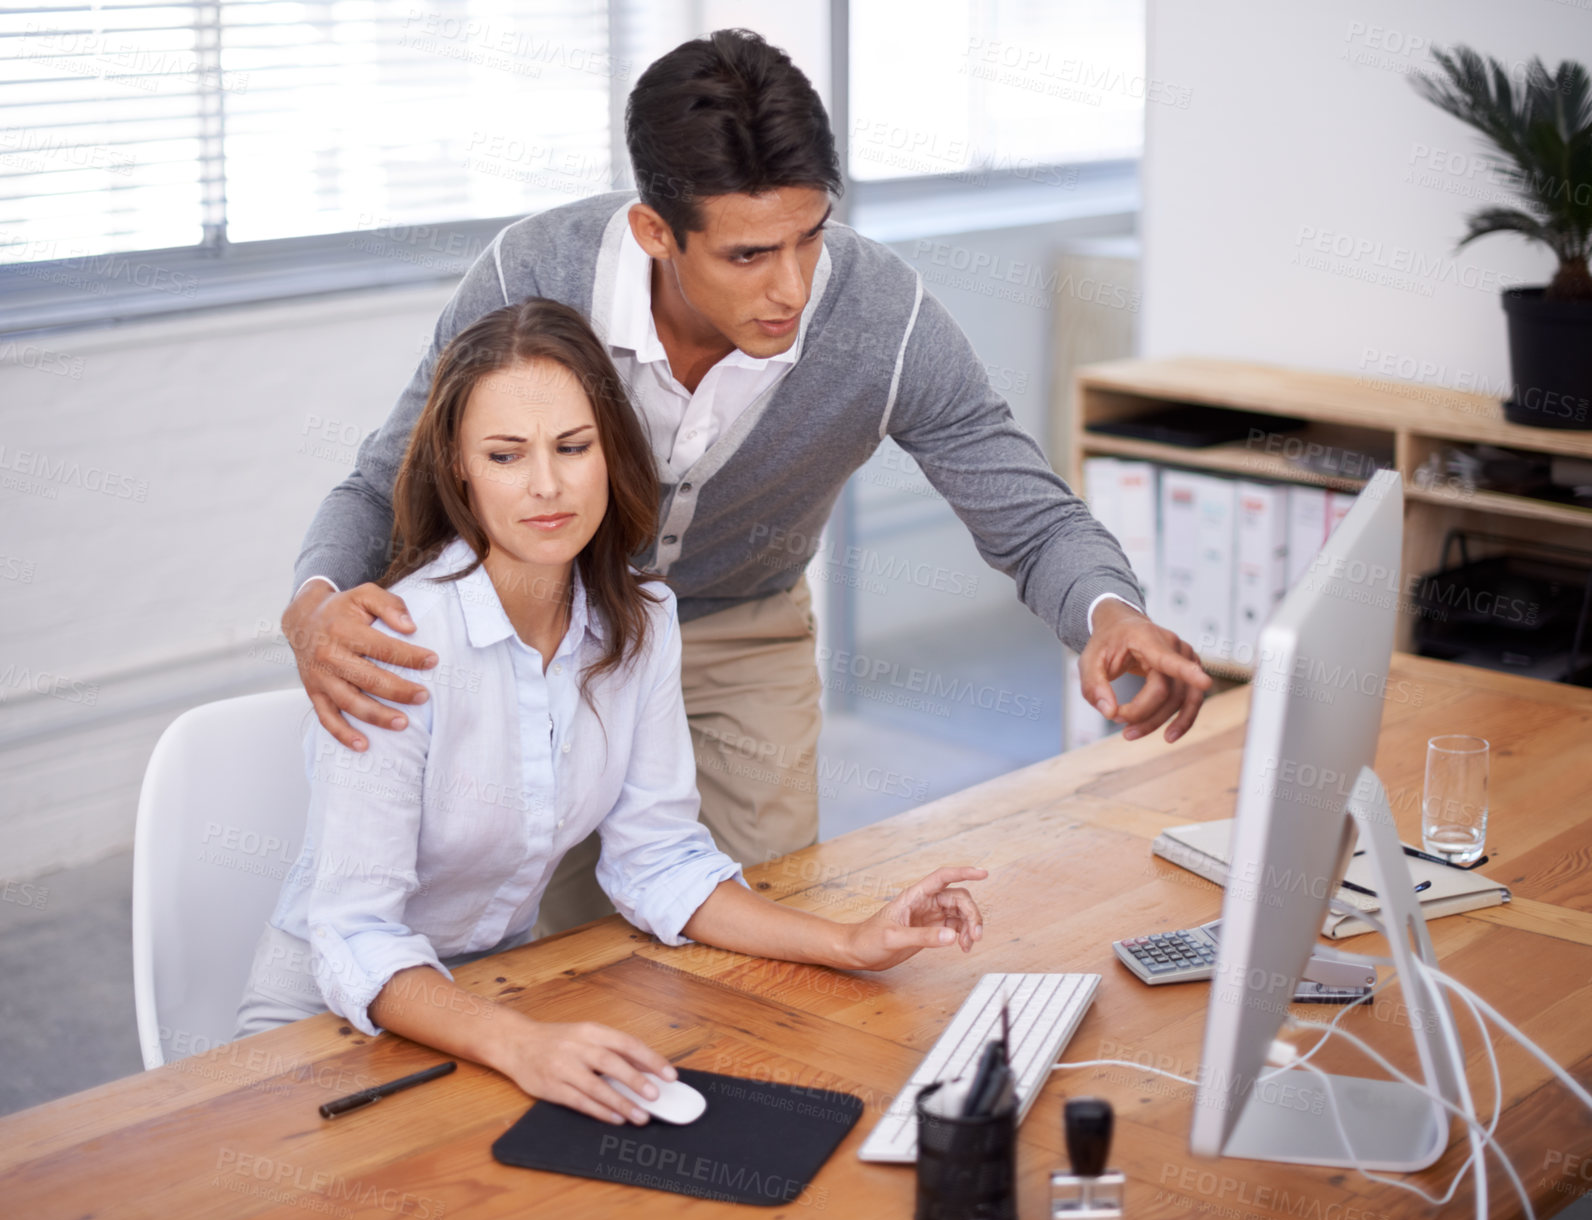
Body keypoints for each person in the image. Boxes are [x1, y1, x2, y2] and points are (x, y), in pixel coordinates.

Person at [280, 29, 1211, 936]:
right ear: (656, 233)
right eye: (747, 255)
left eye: (809, 236)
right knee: (565, 942)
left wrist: (1111, 612)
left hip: (743, 627)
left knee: (768, 920)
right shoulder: (536, 273)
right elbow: (383, 479)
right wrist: (314, 599)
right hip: (546, 632)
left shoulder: (881, 316)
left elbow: (1027, 509)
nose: (793, 288)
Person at [236, 297, 986, 1126]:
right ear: (460, 471)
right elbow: (358, 934)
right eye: (506, 455)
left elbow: (659, 861)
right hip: (331, 1028)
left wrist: (849, 941)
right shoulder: (395, 645)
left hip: (488, 1007)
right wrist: (521, 1043)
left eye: (573, 447)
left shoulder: (640, 623)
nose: (547, 485)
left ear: (610, 453)